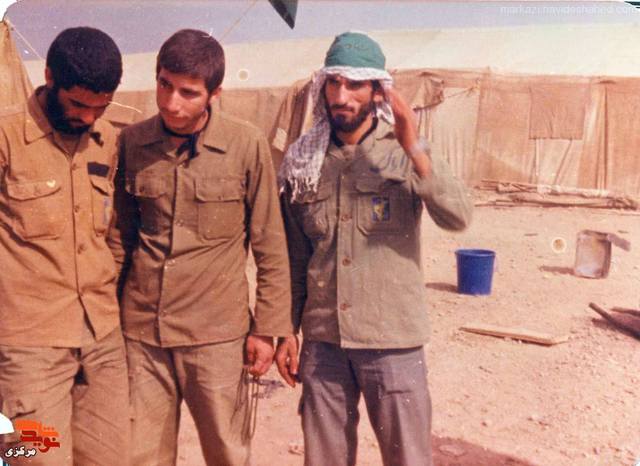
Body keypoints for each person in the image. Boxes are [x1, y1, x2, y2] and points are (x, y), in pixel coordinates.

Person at [275, 31, 473, 466]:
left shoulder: (403, 151)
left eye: (355, 84)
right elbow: (294, 257)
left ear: (378, 90)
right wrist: (286, 329)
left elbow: (458, 216)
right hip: (324, 343)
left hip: (393, 344)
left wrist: (413, 142)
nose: (341, 96)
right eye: (333, 83)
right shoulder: (303, 162)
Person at [107, 29, 293, 466]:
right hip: (143, 333)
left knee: (227, 451)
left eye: (188, 93)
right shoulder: (132, 142)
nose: (171, 102)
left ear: (215, 94)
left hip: (216, 336)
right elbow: (120, 240)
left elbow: (270, 242)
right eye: (164, 84)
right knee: (140, 455)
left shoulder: (245, 144)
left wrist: (267, 329)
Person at [0, 27, 129, 465]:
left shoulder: (107, 140)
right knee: (37, 459)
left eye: (100, 107)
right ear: (50, 77)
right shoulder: (6, 139)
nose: (88, 118)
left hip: (102, 343)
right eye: (77, 104)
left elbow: (112, 238)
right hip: (29, 354)